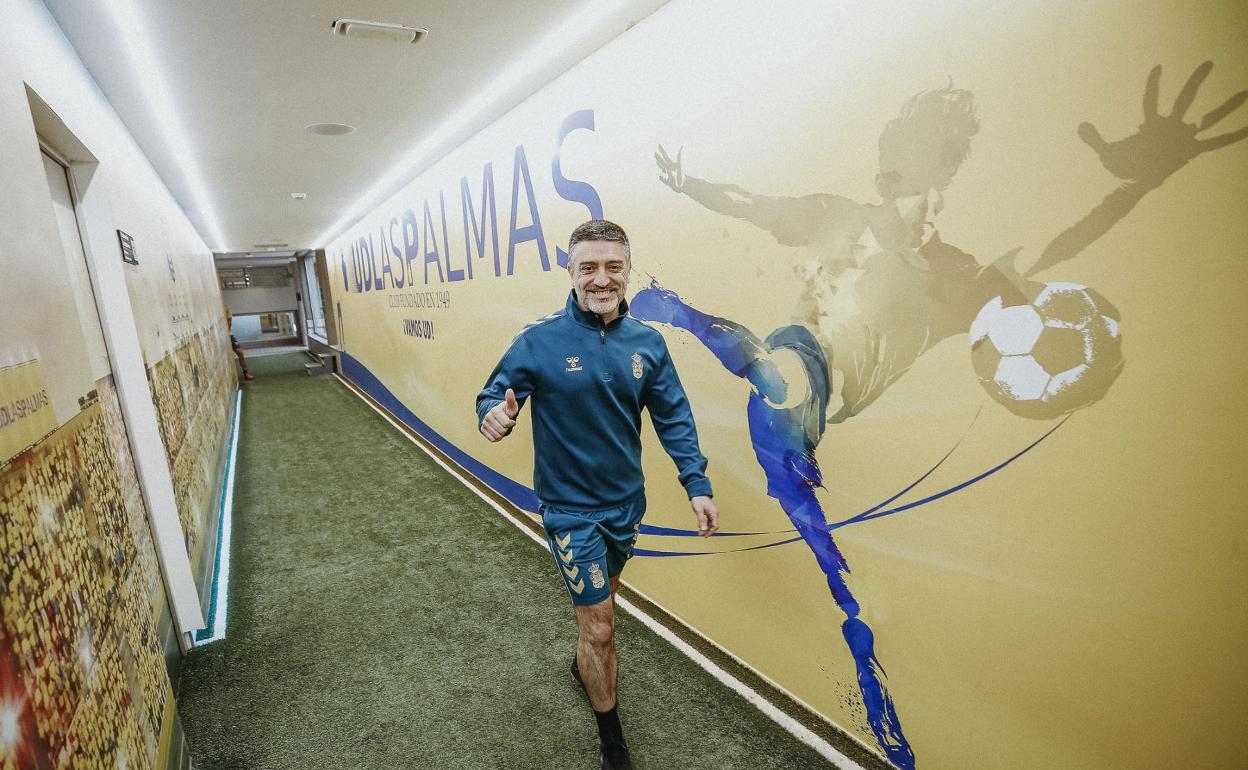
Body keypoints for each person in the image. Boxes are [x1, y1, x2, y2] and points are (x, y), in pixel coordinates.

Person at [476, 219, 719, 770]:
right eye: (588, 267)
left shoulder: (647, 344)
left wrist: (696, 484)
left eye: (613, 267)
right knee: (604, 626)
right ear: (570, 271)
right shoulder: (538, 341)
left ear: (628, 271)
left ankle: (583, 659)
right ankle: (612, 740)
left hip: (626, 506)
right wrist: (493, 416)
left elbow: (673, 417)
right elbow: (492, 396)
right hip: (570, 511)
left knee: (603, 602)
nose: (601, 279)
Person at [224, 306, 254, 381]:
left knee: (240, 353)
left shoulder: (226, 308)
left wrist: (227, 333)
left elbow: (229, 321)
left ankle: (246, 373)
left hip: (229, 334)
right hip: (221, 334)